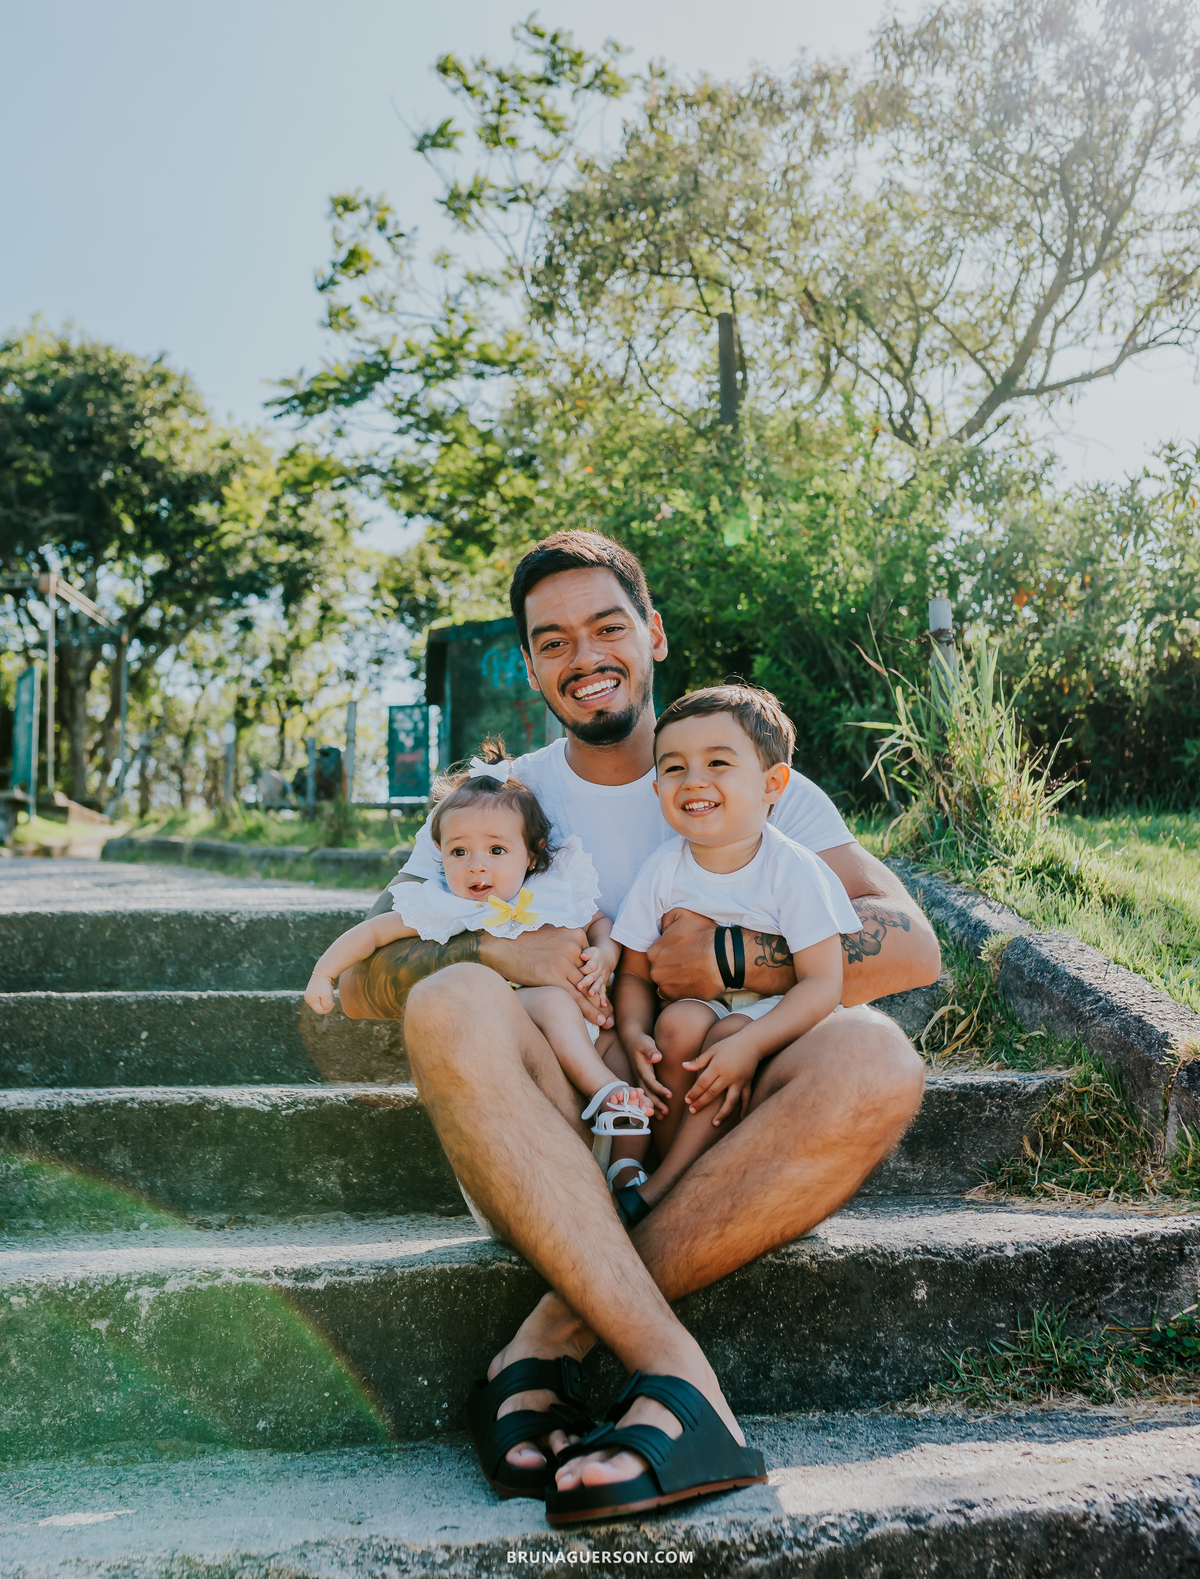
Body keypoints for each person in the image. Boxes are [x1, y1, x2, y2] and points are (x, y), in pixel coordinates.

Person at [336, 530, 937, 1524]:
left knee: (874, 1054)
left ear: (653, 634)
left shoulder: (737, 769)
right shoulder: (501, 801)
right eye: (554, 641)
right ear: (531, 665)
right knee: (448, 998)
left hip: (719, 1119)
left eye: (608, 627)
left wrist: (735, 960)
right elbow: (362, 976)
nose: (585, 655)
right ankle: (678, 1379)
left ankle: (545, 1344)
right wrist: (502, 951)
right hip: (550, 1138)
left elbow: (912, 945)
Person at [304, 740, 656, 1139]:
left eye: (496, 850)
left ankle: (626, 1163)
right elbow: (372, 932)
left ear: (531, 854)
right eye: (459, 852)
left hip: (595, 1025)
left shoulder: (551, 889)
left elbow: (599, 922)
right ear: (440, 854)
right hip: (519, 1020)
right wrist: (324, 973)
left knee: (623, 1058)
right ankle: (603, 1090)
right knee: (554, 1002)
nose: (477, 866)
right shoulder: (446, 905)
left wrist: (605, 954)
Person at [608, 682, 855, 1227]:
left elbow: (823, 983)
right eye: (674, 768)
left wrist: (750, 1043)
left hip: (776, 1021)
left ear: (773, 783)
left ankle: (665, 1189)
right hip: (701, 1014)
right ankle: (661, 1166)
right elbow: (633, 973)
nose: (693, 780)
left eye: (717, 762)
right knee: (676, 1024)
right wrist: (633, 1034)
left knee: (727, 1035)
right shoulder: (664, 869)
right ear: (657, 789)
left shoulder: (792, 868)